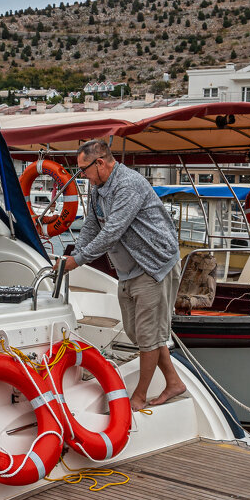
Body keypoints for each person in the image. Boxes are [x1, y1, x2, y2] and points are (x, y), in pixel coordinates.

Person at [61, 139, 185, 410]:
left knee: (148, 335)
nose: (81, 176)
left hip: (153, 265)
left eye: (83, 170)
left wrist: (78, 260)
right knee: (137, 332)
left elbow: (112, 231)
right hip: (129, 270)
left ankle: (139, 396)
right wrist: (74, 254)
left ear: (101, 163)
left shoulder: (128, 184)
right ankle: (174, 381)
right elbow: (92, 227)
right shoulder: (97, 188)